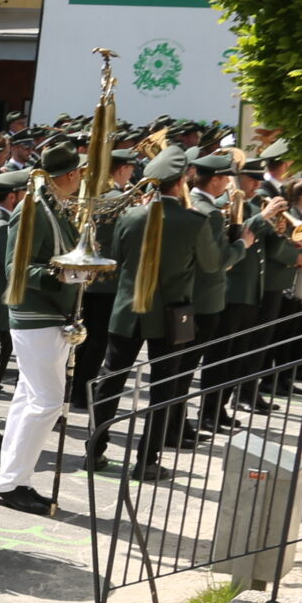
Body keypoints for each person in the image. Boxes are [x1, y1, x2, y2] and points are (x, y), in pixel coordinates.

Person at [85, 150, 225, 479]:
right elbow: (211, 265)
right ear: (180, 183)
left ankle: (95, 450)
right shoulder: (195, 221)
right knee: (164, 388)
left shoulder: (130, 216)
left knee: (111, 382)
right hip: (171, 315)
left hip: (129, 310)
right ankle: (146, 460)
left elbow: (118, 256)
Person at [0, 150, 83, 514]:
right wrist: (65, 273)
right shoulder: (32, 209)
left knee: (31, 400)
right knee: (46, 401)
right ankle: (13, 483)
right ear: (70, 174)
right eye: (79, 174)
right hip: (36, 315)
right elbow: (19, 269)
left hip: (50, 315)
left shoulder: (51, 206)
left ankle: (14, 480)